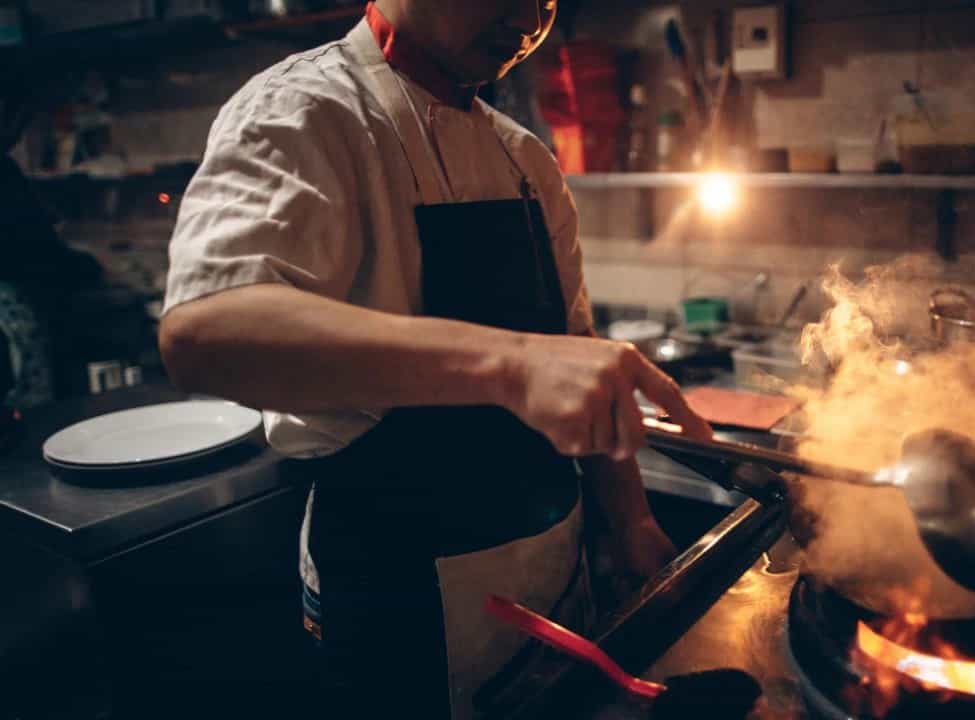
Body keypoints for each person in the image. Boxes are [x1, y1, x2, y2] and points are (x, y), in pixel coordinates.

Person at [158, 1, 712, 717]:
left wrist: (631, 519)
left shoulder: (525, 158)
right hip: (397, 591)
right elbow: (205, 333)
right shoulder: (306, 112)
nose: (528, 17)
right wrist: (509, 363)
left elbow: (578, 356)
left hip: (552, 568)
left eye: (547, 0)